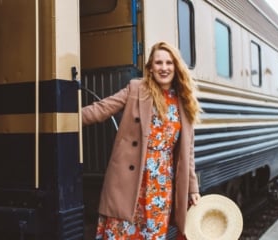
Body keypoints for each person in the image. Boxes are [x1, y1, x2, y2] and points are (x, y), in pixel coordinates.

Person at [82, 41, 201, 239]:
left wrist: (192, 189)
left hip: (161, 183)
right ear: (150, 68)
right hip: (132, 177)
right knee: (123, 232)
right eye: (158, 63)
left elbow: (188, 152)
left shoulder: (184, 101)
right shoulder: (137, 89)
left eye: (169, 63)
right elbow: (102, 109)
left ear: (176, 66)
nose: (164, 68)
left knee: (153, 233)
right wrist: (65, 118)